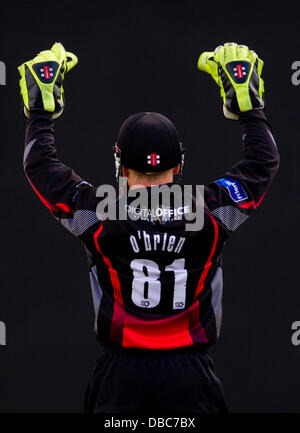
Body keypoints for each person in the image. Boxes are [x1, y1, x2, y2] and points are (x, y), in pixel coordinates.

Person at [18, 42, 279, 413]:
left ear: (120, 166)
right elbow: (263, 161)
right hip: (191, 376)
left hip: (120, 378)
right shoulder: (212, 212)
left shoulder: (98, 213)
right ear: (179, 165)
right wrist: (250, 107)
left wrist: (41, 111)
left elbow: (38, 164)